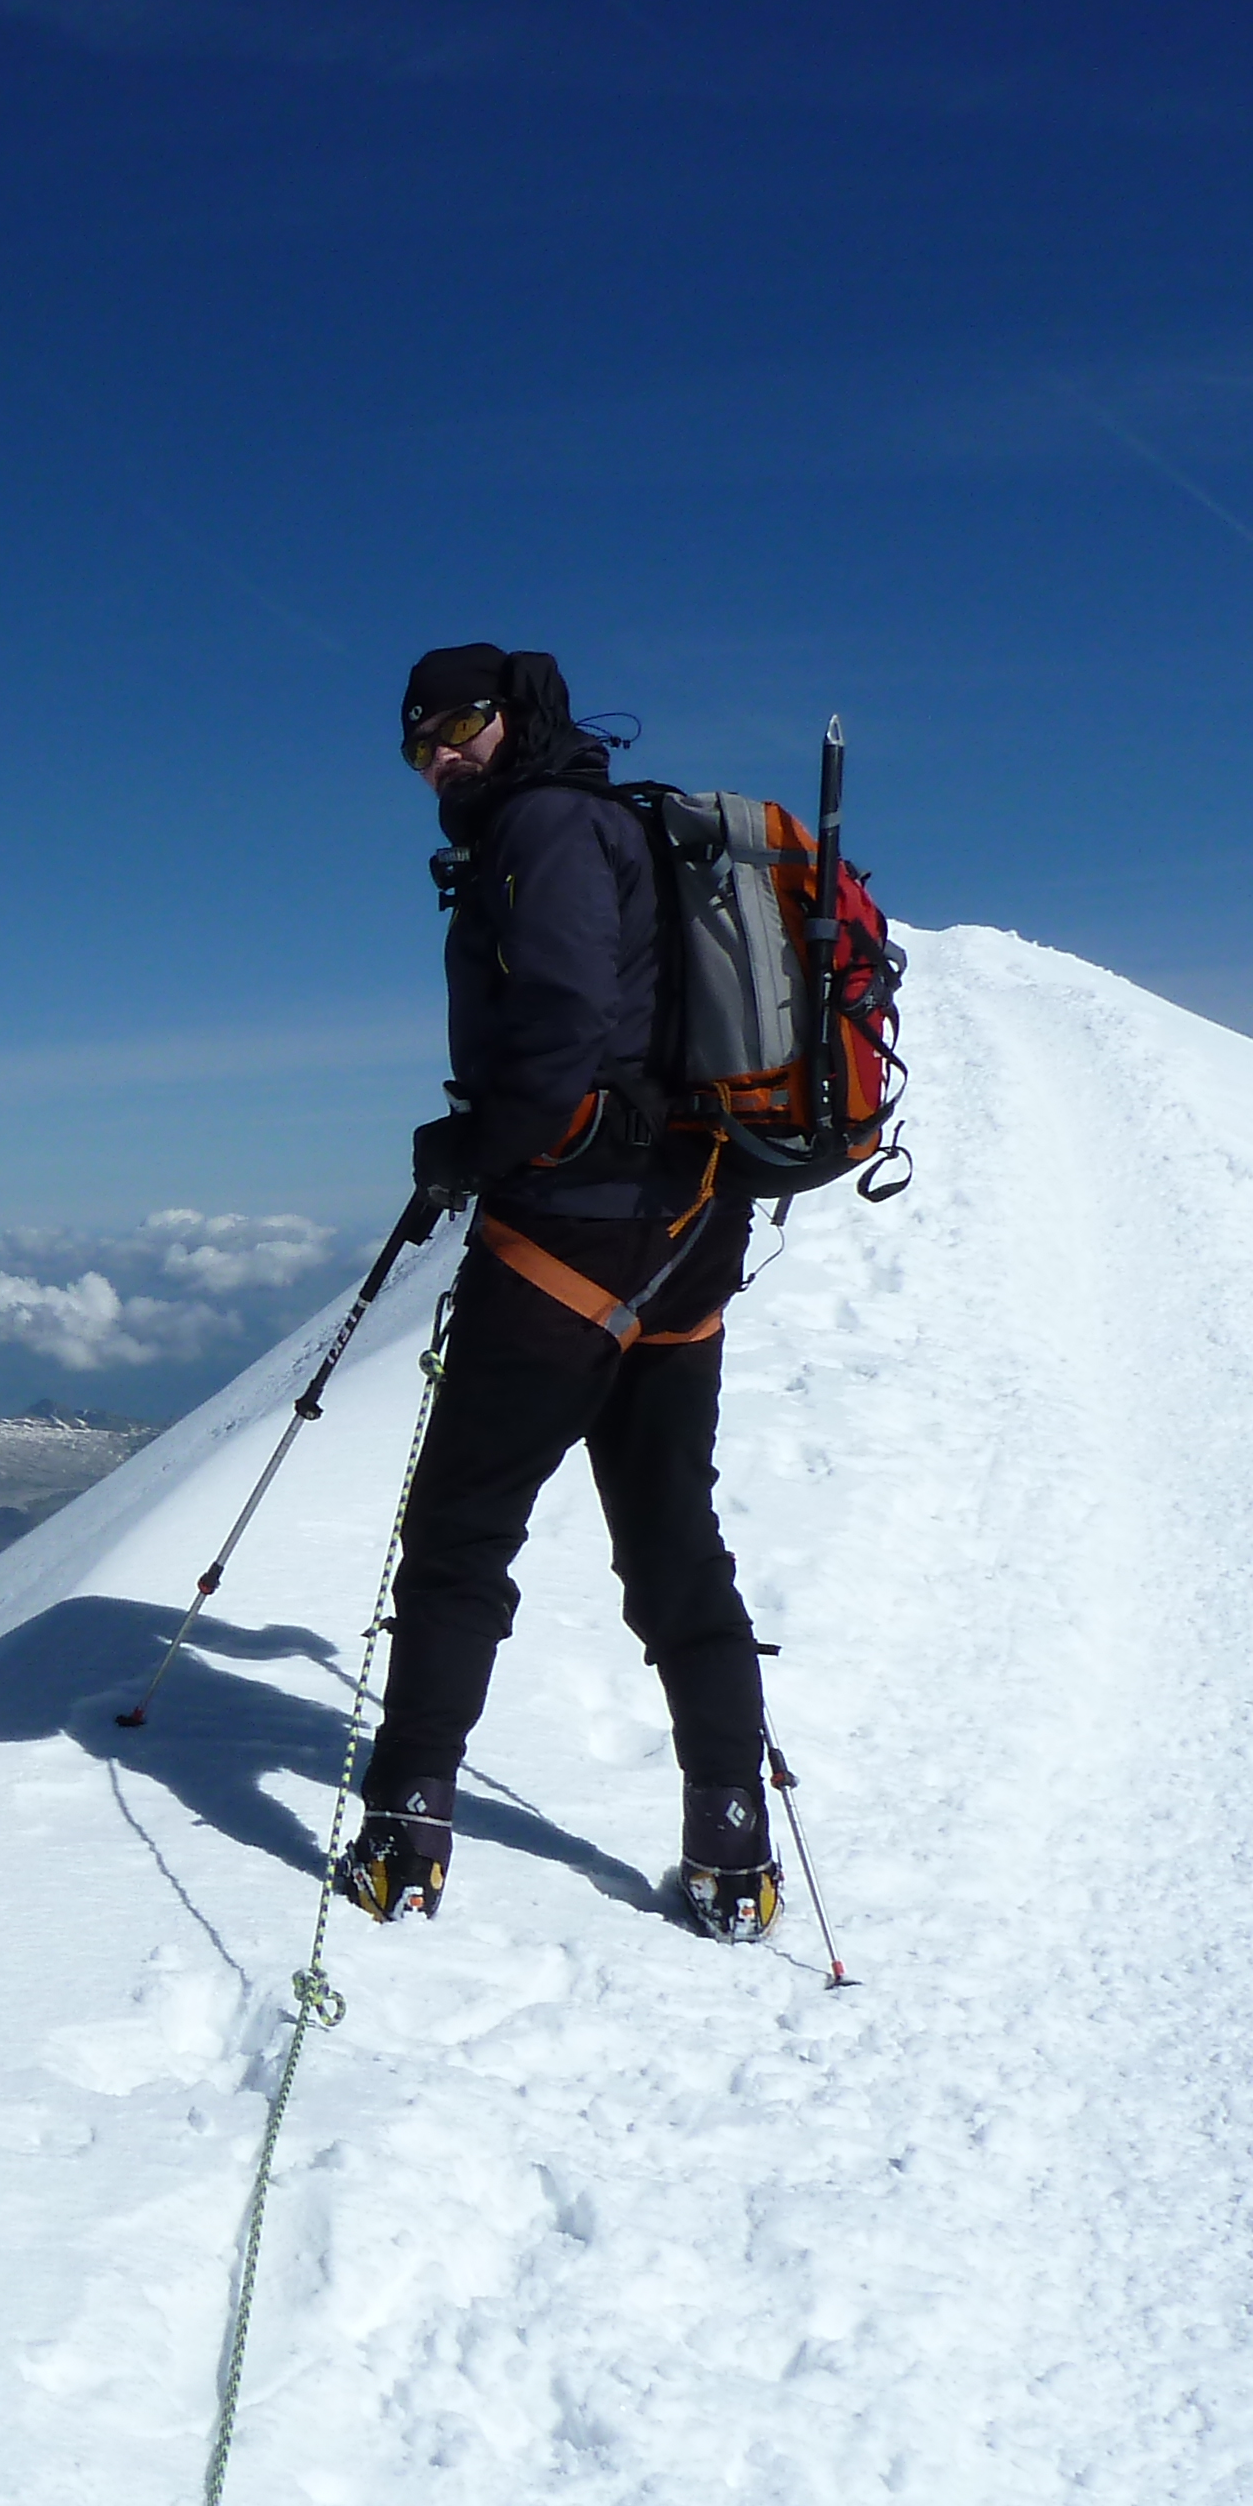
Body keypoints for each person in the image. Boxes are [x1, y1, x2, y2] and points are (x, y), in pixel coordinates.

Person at [349, 644, 781, 1940]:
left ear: (518, 716)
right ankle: (731, 1845)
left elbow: (551, 1035)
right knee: (672, 1544)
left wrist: (463, 1152)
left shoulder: (542, 826)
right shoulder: (630, 834)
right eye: (419, 744)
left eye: (462, 726)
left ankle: (406, 1831)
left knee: (461, 1537)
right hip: (689, 1239)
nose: (442, 757)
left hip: (564, 1246)